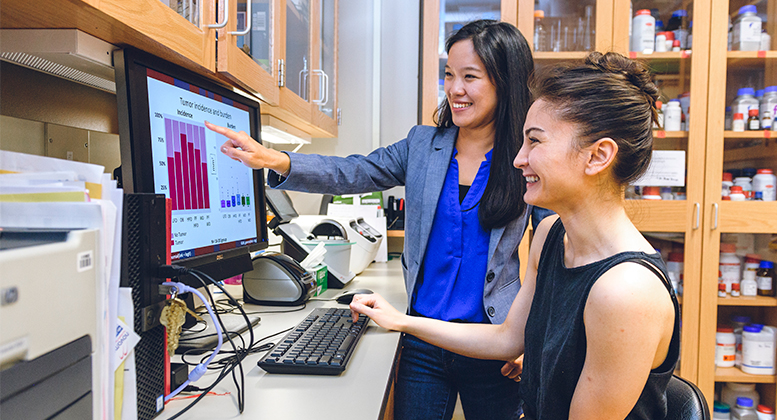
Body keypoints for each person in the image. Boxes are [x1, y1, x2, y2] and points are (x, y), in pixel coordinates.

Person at [207, 19, 550, 420]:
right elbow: (353, 172)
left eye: (470, 77)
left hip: (495, 343)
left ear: (504, 82)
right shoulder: (423, 145)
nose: (455, 89)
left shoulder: (527, 157)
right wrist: (276, 159)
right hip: (421, 338)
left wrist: (532, 338)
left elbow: (554, 252)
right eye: (449, 75)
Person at [348, 52, 681, 419]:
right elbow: (508, 339)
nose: (518, 159)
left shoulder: (626, 293)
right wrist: (401, 321)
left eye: (535, 142)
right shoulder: (552, 237)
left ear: (598, 156)